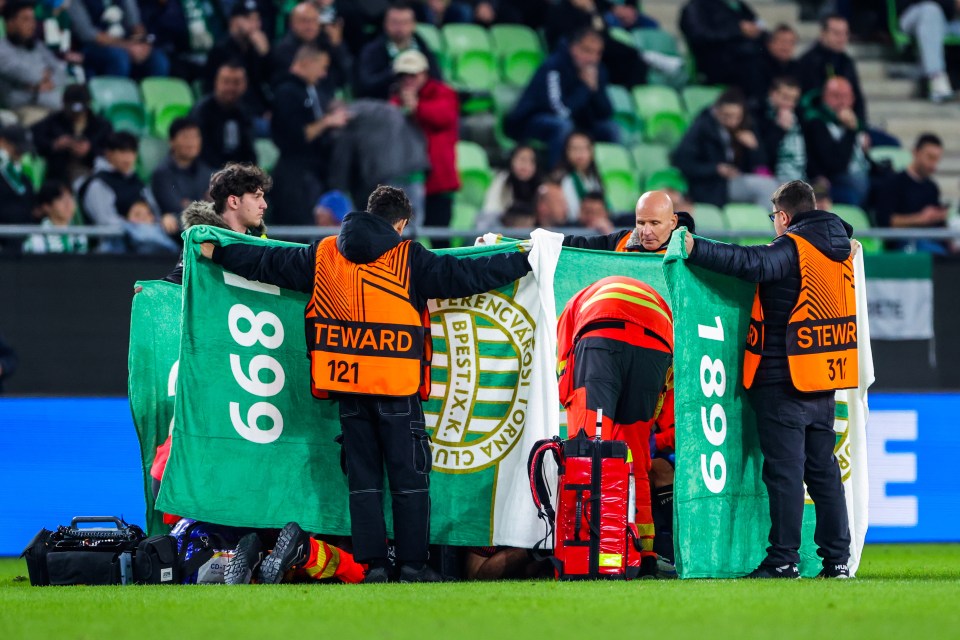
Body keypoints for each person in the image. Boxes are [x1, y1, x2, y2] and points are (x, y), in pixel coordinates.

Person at [198, 185, 532, 583]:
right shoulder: (409, 257)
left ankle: (373, 567)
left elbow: (266, 261)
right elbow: (468, 274)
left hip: (348, 389)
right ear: (402, 223)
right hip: (397, 387)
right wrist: (527, 262)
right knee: (410, 484)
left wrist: (216, 251)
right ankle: (411, 566)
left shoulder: (323, 255)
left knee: (364, 484)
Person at [684, 179, 855, 579]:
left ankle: (783, 558)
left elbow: (752, 264)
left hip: (783, 379)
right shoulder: (841, 249)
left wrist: (696, 247)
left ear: (782, 216)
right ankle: (838, 560)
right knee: (823, 472)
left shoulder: (793, 246)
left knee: (785, 473)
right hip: (822, 377)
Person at [557, 275, 677, 578]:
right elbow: (667, 387)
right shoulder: (641, 296)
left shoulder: (571, 312)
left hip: (601, 337)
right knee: (637, 457)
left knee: (588, 452)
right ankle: (645, 555)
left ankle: (588, 550)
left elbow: (565, 374)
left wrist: (571, 402)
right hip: (659, 340)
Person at [505, 27, 619, 168]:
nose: (592, 58)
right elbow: (559, 110)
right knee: (563, 127)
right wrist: (584, 89)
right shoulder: (554, 67)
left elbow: (606, 112)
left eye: (597, 53)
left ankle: (599, 179)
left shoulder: (597, 70)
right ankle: (555, 175)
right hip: (533, 120)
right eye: (587, 51)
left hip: (574, 120)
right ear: (574, 48)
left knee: (611, 129)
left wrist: (595, 91)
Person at [270, 44, 350, 225]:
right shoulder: (287, 92)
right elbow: (295, 135)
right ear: (306, 63)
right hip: (295, 179)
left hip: (308, 176)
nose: (323, 74)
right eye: (322, 67)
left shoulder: (307, 90)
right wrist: (328, 121)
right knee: (297, 235)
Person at [389, 50, 459, 244]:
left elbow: (444, 117)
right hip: (406, 181)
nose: (408, 80)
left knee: (440, 239)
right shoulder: (395, 101)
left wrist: (417, 108)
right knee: (402, 241)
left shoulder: (443, 93)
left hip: (437, 181)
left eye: (413, 74)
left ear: (425, 73)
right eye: (403, 75)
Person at [163, 162, 270, 284]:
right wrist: (154, 290)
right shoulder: (202, 241)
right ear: (234, 202)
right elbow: (177, 281)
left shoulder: (261, 240)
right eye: (256, 197)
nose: (264, 205)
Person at [671, 88, 778, 208]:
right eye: (727, 116)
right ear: (716, 111)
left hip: (737, 179)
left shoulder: (746, 125)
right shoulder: (702, 128)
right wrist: (716, 169)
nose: (732, 121)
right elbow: (682, 162)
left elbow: (760, 165)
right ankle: (771, 225)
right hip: (712, 185)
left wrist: (754, 148)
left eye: (737, 117)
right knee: (766, 187)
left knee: (781, 187)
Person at [874, 133, 950, 254]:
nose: (933, 165)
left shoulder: (932, 187)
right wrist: (920, 219)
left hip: (930, 240)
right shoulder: (892, 182)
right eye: (930, 157)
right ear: (916, 152)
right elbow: (885, 220)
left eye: (937, 159)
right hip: (902, 243)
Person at [802, 76, 870, 206]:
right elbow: (835, 165)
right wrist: (850, 131)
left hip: (857, 176)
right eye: (836, 96)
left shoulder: (858, 123)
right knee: (857, 185)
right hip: (830, 181)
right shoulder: (816, 122)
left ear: (853, 99)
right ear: (824, 97)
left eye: (846, 96)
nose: (842, 102)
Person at [0, 1, 69, 125]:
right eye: (25, 20)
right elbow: (27, 74)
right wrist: (42, 77)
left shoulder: (37, 46)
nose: (32, 24)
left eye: (33, 19)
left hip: (51, 104)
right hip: (23, 108)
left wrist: (43, 83)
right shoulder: (2, 49)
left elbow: (60, 71)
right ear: (10, 23)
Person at [355, 2, 442, 100]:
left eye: (405, 22)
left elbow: (437, 79)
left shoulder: (422, 47)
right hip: (385, 103)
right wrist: (395, 72)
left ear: (413, 24)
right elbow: (365, 86)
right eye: (395, 22)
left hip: (422, 100)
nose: (400, 28)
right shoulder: (372, 50)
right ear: (385, 24)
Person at [204, 0, 273, 123]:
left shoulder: (255, 49)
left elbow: (264, 84)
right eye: (248, 19)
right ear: (234, 21)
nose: (255, 25)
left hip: (259, 112)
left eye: (257, 20)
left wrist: (265, 56)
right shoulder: (220, 51)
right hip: (233, 115)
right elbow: (220, 92)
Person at [562, 189, 694, 252]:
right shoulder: (621, 241)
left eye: (655, 223)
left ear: (673, 222)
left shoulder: (687, 248)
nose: (646, 232)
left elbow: (714, 257)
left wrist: (695, 251)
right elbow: (579, 244)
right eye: (641, 223)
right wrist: (550, 240)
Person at [31, 84, 113, 184]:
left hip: (92, 172)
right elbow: (33, 137)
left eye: (80, 110)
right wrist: (55, 144)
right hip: (59, 174)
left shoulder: (101, 126)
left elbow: (111, 151)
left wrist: (90, 150)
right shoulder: (54, 121)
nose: (76, 114)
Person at [67, 0, 170, 78]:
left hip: (126, 43)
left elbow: (135, 24)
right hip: (92, 46)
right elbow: (87, 33)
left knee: (157, 60)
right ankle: (115, 102)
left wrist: (141, 44)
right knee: (119, 58)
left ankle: (150, 104)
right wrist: (127, 46)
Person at [679, 0, 765, 94]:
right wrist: (738, 31)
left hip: (745, 56)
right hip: (715, 64)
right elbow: (699, 35)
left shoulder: (738, 5)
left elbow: (756, 25)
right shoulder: (696, 7)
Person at [271, 1, 353, 95]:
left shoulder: (324, 42)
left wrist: (337, 46)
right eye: (304, 21)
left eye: (314, 20)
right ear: (292, 24)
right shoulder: (283, 50)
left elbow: (346, 75)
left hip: (330, 97)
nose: (310, 26)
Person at [796, 14, 866, 123]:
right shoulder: (808, 61)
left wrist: (861, 126)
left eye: (845, 33)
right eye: (836, 33)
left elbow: (857, 96)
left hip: (847, 119)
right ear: (823, 33)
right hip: (818, 123)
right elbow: (810, 99)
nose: (842, 38)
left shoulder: (846, 61)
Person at [192, 61, 259, 170]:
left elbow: (249, 151)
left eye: (236, 82)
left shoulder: (244, 112)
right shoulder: (202, 111)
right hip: (209, 172)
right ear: (216, 83)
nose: (230, 88)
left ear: (245, 85)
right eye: (226, 82)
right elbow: (201, 154)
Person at [150, 117, 212, 223]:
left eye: (195, 137)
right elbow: (175, 208)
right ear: (171, 141)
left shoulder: (205, 171)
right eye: (185, 137)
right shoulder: (162, 173)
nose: (191, 142)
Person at [896, 1, 960, 102]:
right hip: (915, 14)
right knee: (931, 10)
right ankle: (936, 78)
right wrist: (953, 4)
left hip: (950, 22)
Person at [476, 144, 542, 231]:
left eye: (531, 161)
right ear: (512, 160)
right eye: (522, 159)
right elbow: (489, 214)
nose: (526, 165)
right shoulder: (501, 180)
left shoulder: (541, 187)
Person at [756, 76, 807, 185]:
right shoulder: (758, 115)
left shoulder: (800, 115)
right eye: (785, 97)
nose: (790, 104)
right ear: (772, 93)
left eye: (794, 99)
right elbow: (761, 157)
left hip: (802, 178)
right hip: (771, 178)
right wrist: (779, 129)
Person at [22, 181, 88, 254]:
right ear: (46, 206)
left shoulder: (80, 234)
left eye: (71, 197)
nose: (68, 204)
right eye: (61, 199)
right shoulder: (36, 240)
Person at [552, 131, 604, 223]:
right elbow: (573, 215)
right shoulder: (564, 179)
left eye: (584, 148)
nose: (580, 153)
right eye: (575, 148)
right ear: (566, 152)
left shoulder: (595, 178)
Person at [757, 24, 800, 104]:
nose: (786, 46)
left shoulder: (798, 68)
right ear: (770, 43)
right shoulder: (758, 66)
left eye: (791, 42)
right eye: (782, 41)